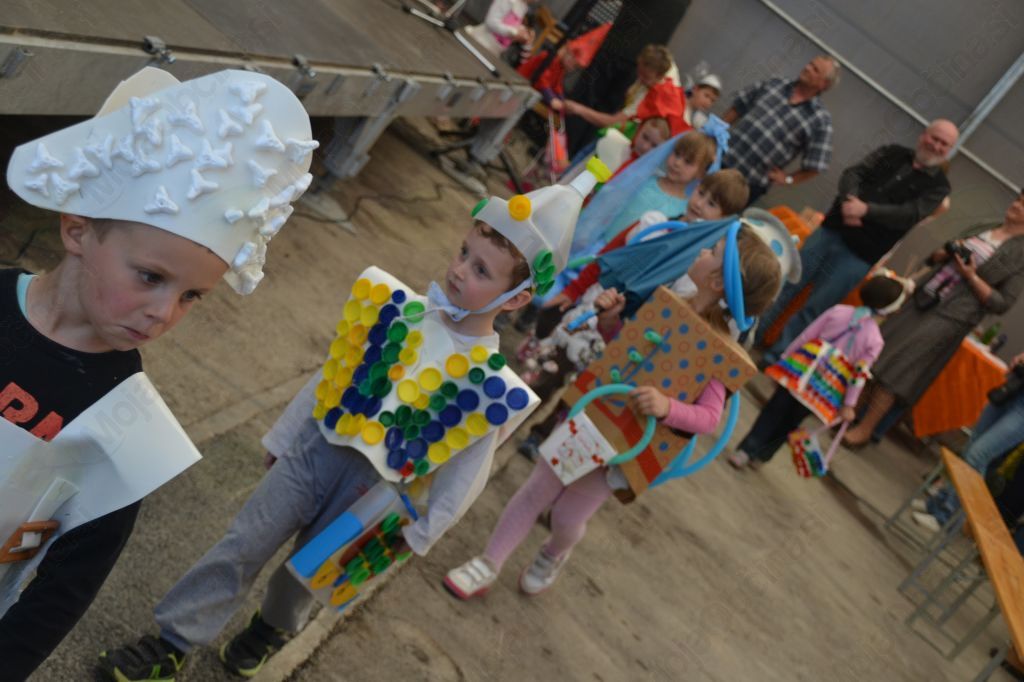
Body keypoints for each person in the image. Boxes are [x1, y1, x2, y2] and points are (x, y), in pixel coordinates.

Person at [95, 161, 612, 680]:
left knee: (307, 577)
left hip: (374, 493)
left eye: (482, 272)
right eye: (464, 253)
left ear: (517, 298)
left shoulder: (491, 385)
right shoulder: (400, 310)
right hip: (316, 450)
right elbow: (337, 371)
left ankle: (273, 627)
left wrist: (425, 530)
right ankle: (173, 641)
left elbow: (471, 463)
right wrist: (286, 435)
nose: (459, 270)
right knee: (242, 543)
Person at [0, 67, 318, 681]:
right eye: (150, 277)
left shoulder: (128, 425)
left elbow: (65, 588)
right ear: (78, 226)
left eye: (192, 296)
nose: (164, 313)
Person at [443, 225, 782, 598]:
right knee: (537, 489)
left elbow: (709, 417)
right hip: (594, 417)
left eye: (711, 251)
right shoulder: (667, 304)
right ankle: (488, 563)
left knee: (566, 517)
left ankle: (555, 553)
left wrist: (668, 408)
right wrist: (609, 322)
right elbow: (623, 352)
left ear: (717, 281)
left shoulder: (720, 353)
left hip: (627, 447)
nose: (701, 252)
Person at [756, 120, 958, 361]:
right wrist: (850, 203)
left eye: (944, 144)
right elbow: (853, 173)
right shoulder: (891, 152)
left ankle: (777, 358)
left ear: (949, 150)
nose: (936, 146)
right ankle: (748, 336)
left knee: (816, 307)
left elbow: (910, 214)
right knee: (785, 285)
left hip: (860, 255)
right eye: (934, 138)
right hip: (831, 230)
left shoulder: (939, 188)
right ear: (923, 135)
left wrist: (865, 210)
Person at [844, 191, 1024, 446]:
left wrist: (971, 276)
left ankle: (866, 429)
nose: (1016, 206)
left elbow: (1002, 303)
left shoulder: (1020, 255)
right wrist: (945, 252)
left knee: (899, 370)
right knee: (878, 354)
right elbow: (936, 255)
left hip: (953, 316)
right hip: (924, 296)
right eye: (1018, 200)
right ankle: (848, 414)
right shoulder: (987, 226)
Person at [728, 275, 908, 469]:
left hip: (800, 371)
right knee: (792, 422)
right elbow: (858, 375)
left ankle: (746, 450)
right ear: (892, 310)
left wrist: (786, 359)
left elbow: (807, 335)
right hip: (824, 388)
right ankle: (762, 456)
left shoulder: (839, 311)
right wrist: (849, 404)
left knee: (773, 410)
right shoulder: (875, 340)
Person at [911, 352, 1024, 531]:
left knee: (978, 455)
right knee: (970, 448)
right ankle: (938, 504)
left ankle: (946, 516)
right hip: (1015, 385)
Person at [721, 55, 839, 205]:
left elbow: (817, 165)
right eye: (810, 64)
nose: (807, 68)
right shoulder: (774, 84)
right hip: (720, 159)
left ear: (824, 84)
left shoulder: (820, 119)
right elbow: (739, 106)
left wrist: (788, 179)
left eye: (815, 70)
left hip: (748, 184)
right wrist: (715, 134)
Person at [464, 0, 539, 59]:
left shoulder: (523, 6)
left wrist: (522, 35)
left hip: (494, 51)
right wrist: (514, 32)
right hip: (481, 42)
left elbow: (510, 25)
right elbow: (491, 22)